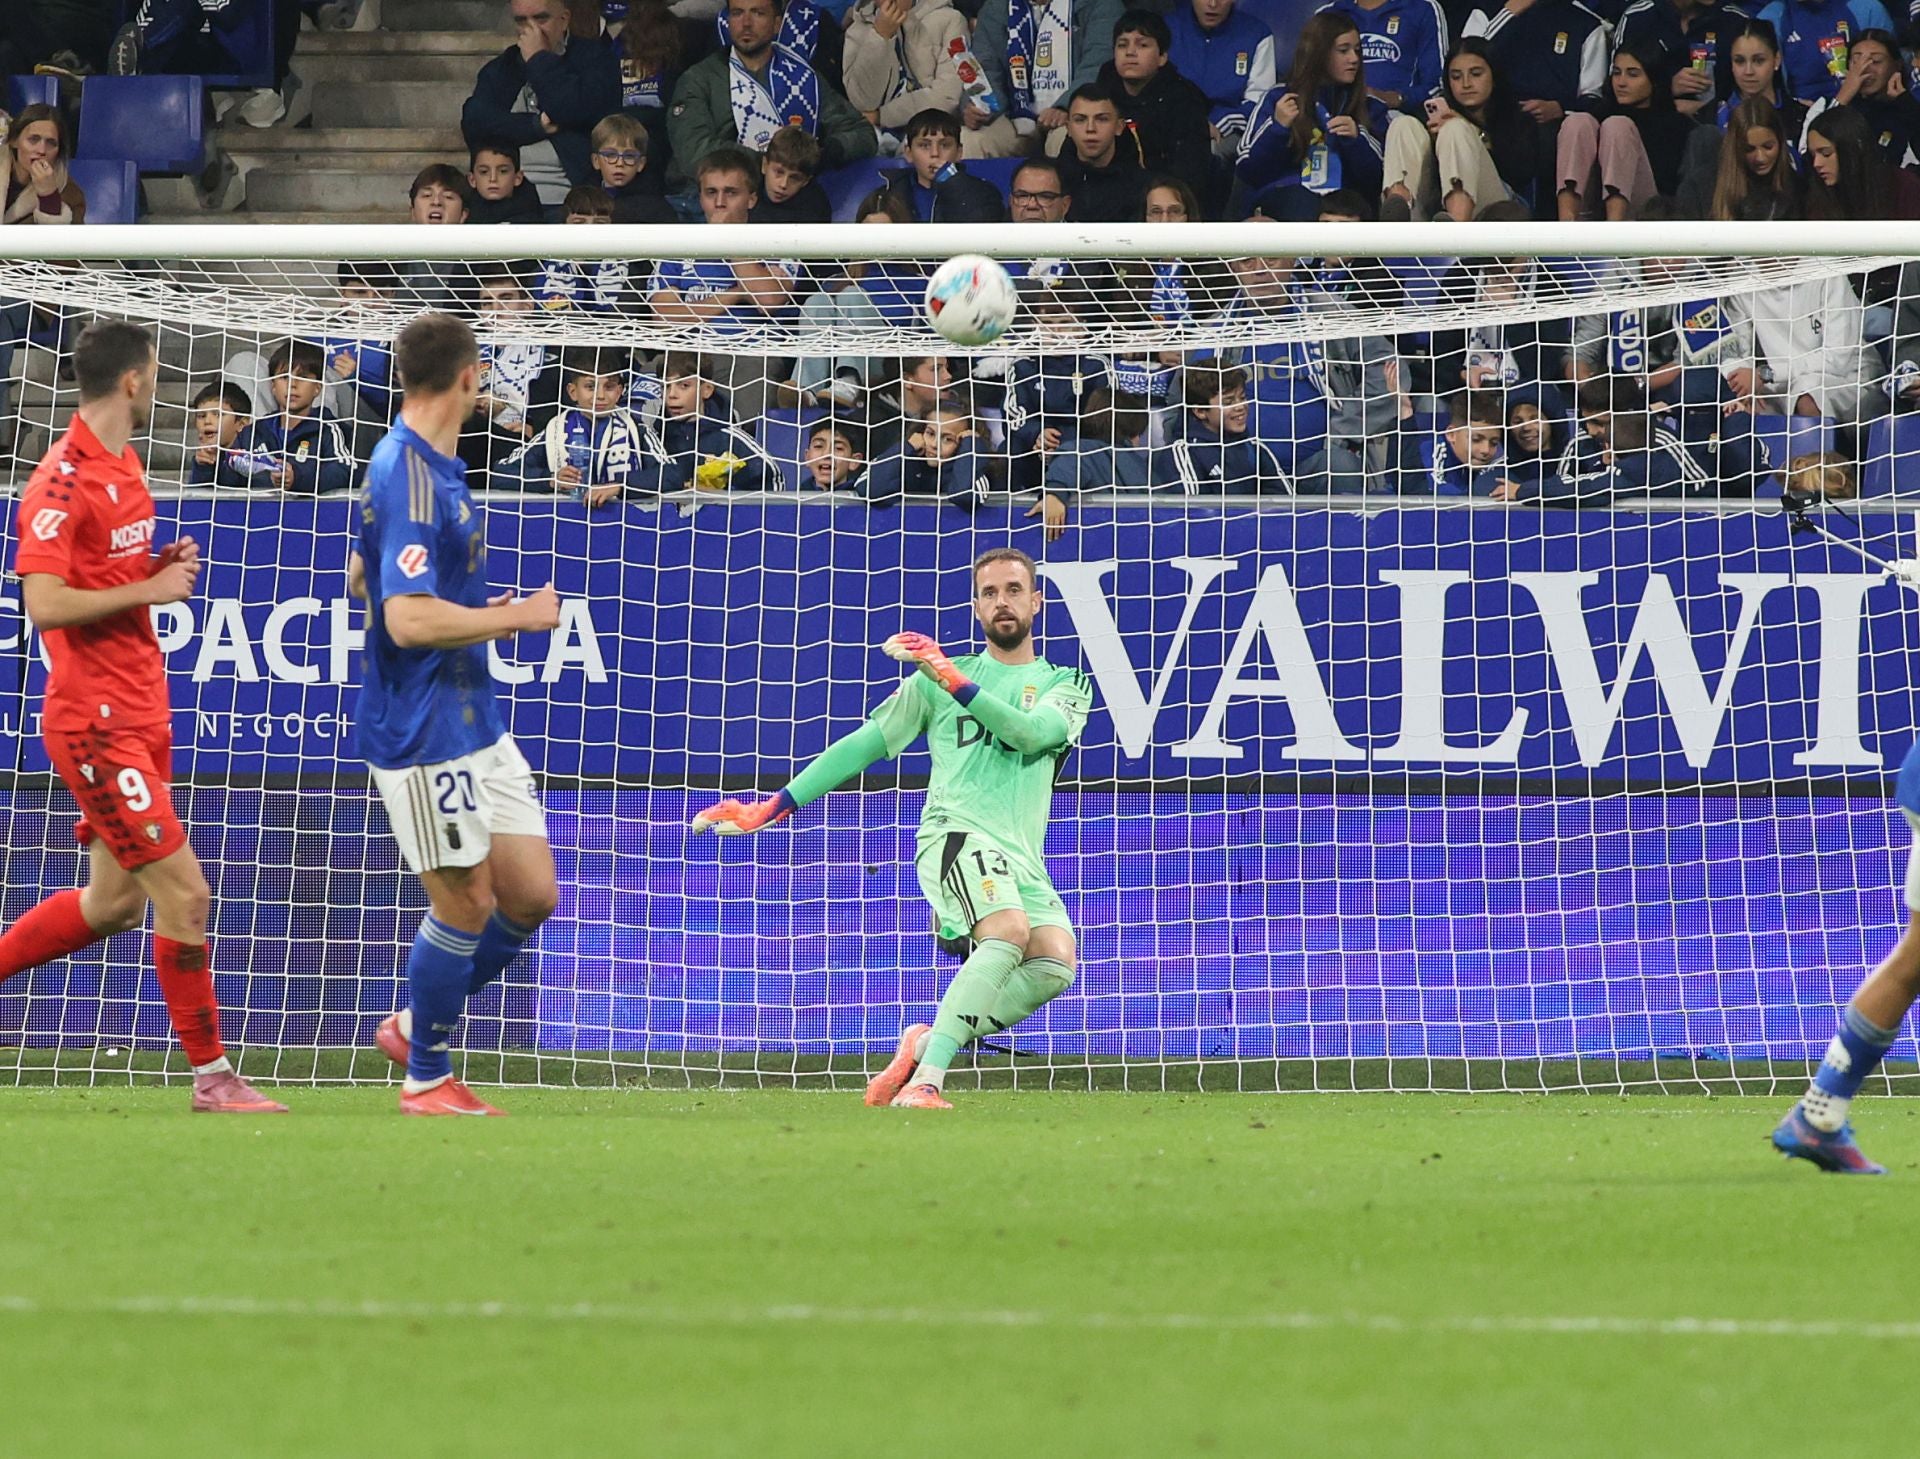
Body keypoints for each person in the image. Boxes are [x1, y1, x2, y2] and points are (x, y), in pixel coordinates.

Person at [691, 548, 1095, 1111]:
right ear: (976, 608)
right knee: (1007, 932)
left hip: (1021, 852)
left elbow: (1031, 734)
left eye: (1013, 590)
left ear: (1036, 601)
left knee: (1053, 962)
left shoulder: (1065, 683)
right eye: (989, 593)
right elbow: (863, 745)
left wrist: (950, 677)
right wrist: (776, 805)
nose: (1002, 602)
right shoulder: (933, 682)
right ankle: (927, 1081)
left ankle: (926, 1042)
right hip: (954, 833)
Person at [2, 321, 285, 1113]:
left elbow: (104, 576)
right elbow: (44, 603)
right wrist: (149, 590)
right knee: (186, 895)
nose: (159, 381)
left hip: (140, 705)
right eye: (156, 370)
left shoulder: (126, 462)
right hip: (94, 721)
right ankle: (213, 1078)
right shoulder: (59, 482)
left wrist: (150, 569)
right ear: (133, 380)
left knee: (113, 905)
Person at [348, 312, 564, 1116]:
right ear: (471, 377)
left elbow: (362, 580)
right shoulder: (405, 471)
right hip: (421, 727)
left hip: (474, 715)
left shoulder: (434, 465)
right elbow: (405, 620)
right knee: (465, 900)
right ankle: (427, 1076)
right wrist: (518, 617)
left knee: (530, 894)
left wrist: (474, 612)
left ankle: (413, 1023)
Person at [664, 0, 877, 192]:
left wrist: (821, 154)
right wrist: (772, 164)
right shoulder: (698, 79)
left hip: (791, 195)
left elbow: (862, 133)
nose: (746, 23)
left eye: (758, 13)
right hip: (712, 200)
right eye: (737, 13)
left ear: (777, 24)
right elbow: (694, 152)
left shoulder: (803, 77)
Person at [463, 0, 624, 208]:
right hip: (505, 197)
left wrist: (538, 59)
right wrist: (535, 126)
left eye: (541, 18)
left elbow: (569, 109)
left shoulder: (596, 60)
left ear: (564, 20)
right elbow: (474, 124)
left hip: (570, 199)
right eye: (522, 20)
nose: (532, 29)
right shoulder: (503, 67)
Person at [1237, 12, 1390, 220]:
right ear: (1319, 53)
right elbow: (1247, 169)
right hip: (1288, 194)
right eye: (1343, 50)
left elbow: (1379, 180)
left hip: (1346, 199)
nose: (1354, 59)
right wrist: (1277, 128)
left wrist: (1357, 141)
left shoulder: (1370, 107)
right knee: (1302, 201)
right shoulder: (1278, 98)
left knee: (1345, 212)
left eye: (1357, 50)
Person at [1381, 38, 1546, 218]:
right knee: (1403, 124)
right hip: (1434, 206)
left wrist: (1474, 133)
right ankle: (1399, 211)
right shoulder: (1433, 116)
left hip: (1498, 207)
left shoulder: (1517, 118)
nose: (1466, 84)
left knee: (1455, 129)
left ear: (1494, 76)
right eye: (1456, 77)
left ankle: (1457, 223)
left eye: (1476, 74)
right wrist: (1435, 145)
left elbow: (1521, 172)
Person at [843, 0, 1025, 157]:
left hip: (934, 126)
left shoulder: (948, 20)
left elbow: (946, 97)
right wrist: (880, 37)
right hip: (878, 131)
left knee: (934, 148)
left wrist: (882, 116)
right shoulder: (858, 29)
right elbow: (862, 102)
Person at [1556, 42, 1699, 219]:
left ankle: (1615, 227)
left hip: (1647, 212)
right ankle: (1566, 221)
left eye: (1633, 74)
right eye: (1617, 73)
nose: (1621, 82)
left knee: (1618, 126)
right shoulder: (1597, 114)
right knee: (1577, 122)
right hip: (1590, 207)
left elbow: (1668, 186)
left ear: (1654, 80)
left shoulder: (1674, 123)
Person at [501, 346, 652, 505]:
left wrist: (621, 486)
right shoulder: (555, 430)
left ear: (619, 391)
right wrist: (551, 479)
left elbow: (668, 473)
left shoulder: (636, 429)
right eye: (590, 387)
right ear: (572, 391)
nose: (600, 396)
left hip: (627, 518)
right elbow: (501, 473)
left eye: (609, 387)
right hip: (567, 518)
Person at [973, 0, 1127, 149]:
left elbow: (1097, 65)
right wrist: (982, 105)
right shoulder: (997, 7)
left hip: (1073, 113)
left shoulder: (1100, 4)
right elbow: (986, 67)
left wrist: (1066, 106)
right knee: (975, 140)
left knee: (1065, 139)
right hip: (1013, 114)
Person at [1098, 10, 1216, 189]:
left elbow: (1190, 173)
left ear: (1162, 57)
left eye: (1142, 45)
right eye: (1122, 45)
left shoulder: (1184, 101)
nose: (1130, 52)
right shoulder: (1105, 84)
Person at [1461, 0, 1608, 134]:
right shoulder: (1487, 11)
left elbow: (1592, 95)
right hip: (1494, 118)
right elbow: (1463, 63)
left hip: (1557, 126)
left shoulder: (1586, 24)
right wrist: (1507, 15)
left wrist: (1560, 108)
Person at [1158, 361, 1291, 492]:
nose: (1240, 407)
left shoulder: (1255, 448)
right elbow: (1191, 505)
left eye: (1242, 398)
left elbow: (1285, 499)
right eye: (1228, 402)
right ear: (1200, 411)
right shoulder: (1183, 453)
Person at [1167, 0, 1279, 155]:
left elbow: (1259, 101)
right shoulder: (1167, 28)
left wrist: (1219, 123)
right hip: (1173, 123)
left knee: (1204, 150)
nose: (1213, 4)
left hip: (1228, 130)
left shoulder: (1257, 33)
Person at [1804, 28, 1920, 167]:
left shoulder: (1910, 106)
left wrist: (1905, 103)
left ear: (1897, 65)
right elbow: (1810, 163)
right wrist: (1843, 97)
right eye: (1856, 61)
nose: (1864, 68)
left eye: (1876, 61)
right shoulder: (1823, 105)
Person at [1614, 0, 1746, 117]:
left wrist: (1708, 110)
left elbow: (1751, 96)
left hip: (1720, 127)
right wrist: (1666, 89)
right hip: (1646, 123)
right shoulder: (1637, 18)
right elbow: (1615, 90)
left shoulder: (1736, 20)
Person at [1753, 0, 1896, 106]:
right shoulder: (1771, 19)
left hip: (1866, 113)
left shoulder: (1867, 9)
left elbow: (1891, 72)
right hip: (1800, 120)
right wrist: (1793, 107)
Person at [1321, 0, 1449, 115]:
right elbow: (1313, 74)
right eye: (1344, 50)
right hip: (1336, 113)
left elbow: (1438, 83)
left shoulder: (1422, 9)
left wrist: (1398, 98)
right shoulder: (1329, 13)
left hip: (1398, 117)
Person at [883, 109, 1009, 221]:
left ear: (959, 153)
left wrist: (953, 184)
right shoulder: (886, 193)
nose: (935, 153)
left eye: (945, 145)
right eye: (924, 145)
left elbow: (983, 228)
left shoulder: (984, 193)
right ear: (909, 153)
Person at [1056, 82, 1150, 221]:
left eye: (1102, 119)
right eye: (1080, 120)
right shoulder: (1050, 183)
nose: (1090, 128)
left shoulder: (1145, 189)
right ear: (1068, 128)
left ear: (1119, 127)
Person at [1395, 389, 1512, 494]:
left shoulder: (1497, 455)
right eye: (1476, 439)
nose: (1486, 450)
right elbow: (1428, 495)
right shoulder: (1432, 452)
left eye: (1493, 443)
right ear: (1451, 434)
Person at [1708, 93, 1800, 216]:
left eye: (1768, 147)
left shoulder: (1796, 187)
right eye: (1749, 149)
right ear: (1735, 146)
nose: (1760, 158)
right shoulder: (1704, 185)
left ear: (1780, 142)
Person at [589, 113, 679, 222]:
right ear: (596, 161)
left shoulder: (657, 210)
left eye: (629, 156)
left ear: (641, 163)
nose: (620, 163)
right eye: (610, 155)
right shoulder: (581, 202)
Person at [751, 124, 834, 222]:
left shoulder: (815, 212)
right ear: (765, 165)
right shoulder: (744, 180)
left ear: (805, 181)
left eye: (794, 178)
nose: (783, 184)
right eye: (779, 172)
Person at [187, 381, 252, 486]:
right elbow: (197, 495)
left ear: (241, 424)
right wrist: (203, 468)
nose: (207, 421)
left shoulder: (254, 456)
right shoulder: (201, 460)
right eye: (201, 416)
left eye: (218, 415)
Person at [467, 142, 547, 224]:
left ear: (518, 178)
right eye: (484, 172)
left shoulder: (530, 217)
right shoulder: (464, 210)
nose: (493, 179)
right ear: (472, 180)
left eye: (503, 171)